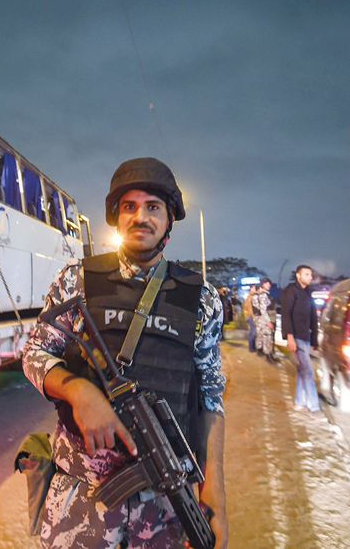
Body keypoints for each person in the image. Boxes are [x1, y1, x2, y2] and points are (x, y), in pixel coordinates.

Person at [21, 157, 228, 549]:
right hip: (82, 492)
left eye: (153, 207)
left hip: (168, 499)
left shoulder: (201, 299)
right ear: (116, 217)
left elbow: (211, 398)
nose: (140, 217)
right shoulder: (78, 280)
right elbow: (34, 353)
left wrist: (214, 489)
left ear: (169, 219)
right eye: (129, 207)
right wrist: (79, 392)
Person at [280, 265, 320, 413]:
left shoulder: (308, 293)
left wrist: (314, 341)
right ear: (298, 276)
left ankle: (299, 402)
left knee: (302, 369)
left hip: (306, 337)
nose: (310, 277)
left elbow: (313, 318)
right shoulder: (291, 291)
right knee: (308, 370)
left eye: (311, 274)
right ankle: (314, 408)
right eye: (307, 274)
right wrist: (289, 336)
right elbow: (286, 314)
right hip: (295, 337)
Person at [254, 277, 277, 363]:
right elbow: (263, 310)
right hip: (266, 320)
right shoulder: (263, 295)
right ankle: (268, 356)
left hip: (268, 319)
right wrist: (268, 322)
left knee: (268, 337)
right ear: (262, 285)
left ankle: (269, 354)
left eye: (269, 283)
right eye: (266, 283)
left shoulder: (266, 294)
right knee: (267, 338)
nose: (269, 285)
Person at [244, 284, 258, 352]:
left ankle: (252, 347)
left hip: (249, 315)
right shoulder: (252, 296)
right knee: (253, 332)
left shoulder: (249, 296)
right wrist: (254, 316)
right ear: (251, 289)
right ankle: (252, 347)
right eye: (255, 288)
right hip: (251, 316)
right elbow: (251, 308)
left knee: (252, 331)